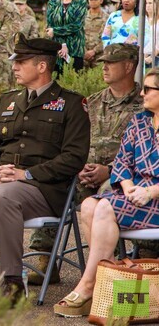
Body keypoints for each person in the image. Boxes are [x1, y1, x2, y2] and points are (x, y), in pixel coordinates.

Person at [0, 35, 90, 303]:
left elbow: (74, 157)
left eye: (21, 61)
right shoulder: (7, 100)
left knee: (3, 195)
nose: (14, 66)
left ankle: (12, 282)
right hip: (3, 182)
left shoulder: (71, 104)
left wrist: (26, 175)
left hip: (44, 189)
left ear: (42, 66)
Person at [28, 43, 143, 285]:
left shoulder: (145, 104)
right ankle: (44, 256)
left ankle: (137, 258)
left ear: (129, 66)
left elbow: (146, 152)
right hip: (83, 172)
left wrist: (110, 171)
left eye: (111, 63)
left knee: (108, 198)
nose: (105, 68)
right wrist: (77, 166)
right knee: (53, 186)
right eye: (103, 63)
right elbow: (71, 139)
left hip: (123, 178)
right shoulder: (90, 102)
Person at [53, 68, 159, 318]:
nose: (141, 93)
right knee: (89, 205)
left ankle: (90, 285)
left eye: (148, 89)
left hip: (155, 199)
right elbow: (122, 162)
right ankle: (109, 283)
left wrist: (150, 192)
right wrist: (128, 187)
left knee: (102, 207)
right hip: (135, 196)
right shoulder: (140, 121)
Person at [45, 0, 88, 72]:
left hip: (75, 49)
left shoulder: (80, 1)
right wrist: (62, 45)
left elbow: (76, 26)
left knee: (74, 82)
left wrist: (55, 31)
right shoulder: (52, 3)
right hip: (56, 49)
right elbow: (49, 27)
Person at [83, 0, 108, 67]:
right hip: (83, 56)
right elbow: (78, 35)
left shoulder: (107, 18)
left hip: (99, 57)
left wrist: (94, 51)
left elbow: (107, 38)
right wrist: (85, 51)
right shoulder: (82, 17)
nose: (93, 2)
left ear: (101, 1)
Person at [143, 0, 159, 68]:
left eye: (150, 3)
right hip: (142, 56)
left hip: (156, 57)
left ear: (156, 4)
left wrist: (152, 57)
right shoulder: (142, 20)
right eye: (146, 3)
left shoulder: (158, 21)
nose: (148, 5)